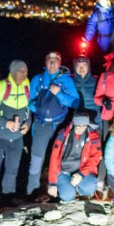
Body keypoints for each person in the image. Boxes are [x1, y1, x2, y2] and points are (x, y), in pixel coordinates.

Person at [26, 53, 79, 196]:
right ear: (45, 62)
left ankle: (58, 191)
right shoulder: (38, 79)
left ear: (59, 63)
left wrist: (59, 93)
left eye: (55, 61)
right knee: (36, 158)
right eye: (49, 60)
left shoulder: (66, 81)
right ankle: (32, 192)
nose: (52, 63)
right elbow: (29, 100)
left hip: (59, 125)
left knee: (58, 158)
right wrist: (34, 107)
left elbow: (75, 102)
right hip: (41, 124)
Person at [0, 60, 31, 202]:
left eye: (25, 70)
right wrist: (6, 123)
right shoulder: (0, 86)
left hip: (16, 138)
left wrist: (27, 124)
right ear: (12, 71)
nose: (24, 74)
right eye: (20, 70)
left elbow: (28, 111)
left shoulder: (27, 86)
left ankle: (8, 198)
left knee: (12, 170)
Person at [47, 111, 102, 202]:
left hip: (81, 169)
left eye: (84, 126)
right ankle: (68, 188)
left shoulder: (93, 136)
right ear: (74, 123)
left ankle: (78, 188)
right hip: (64, 170)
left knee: (89, 188)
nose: (81, 129)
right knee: (67, 196)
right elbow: (54, 157)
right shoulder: (63, 134)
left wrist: (81, 174)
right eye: (78, 126)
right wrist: (52, 183)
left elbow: (95, 157)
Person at [72, 56, 98, 122]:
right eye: (78, 65)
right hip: (76, 119)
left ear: (88, 67)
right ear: (74, 67)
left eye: (84, 65)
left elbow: (98, 105)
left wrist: (99, 122)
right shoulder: (70, 81)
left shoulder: (96, 81)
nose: (81, 68)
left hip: (93, 117)